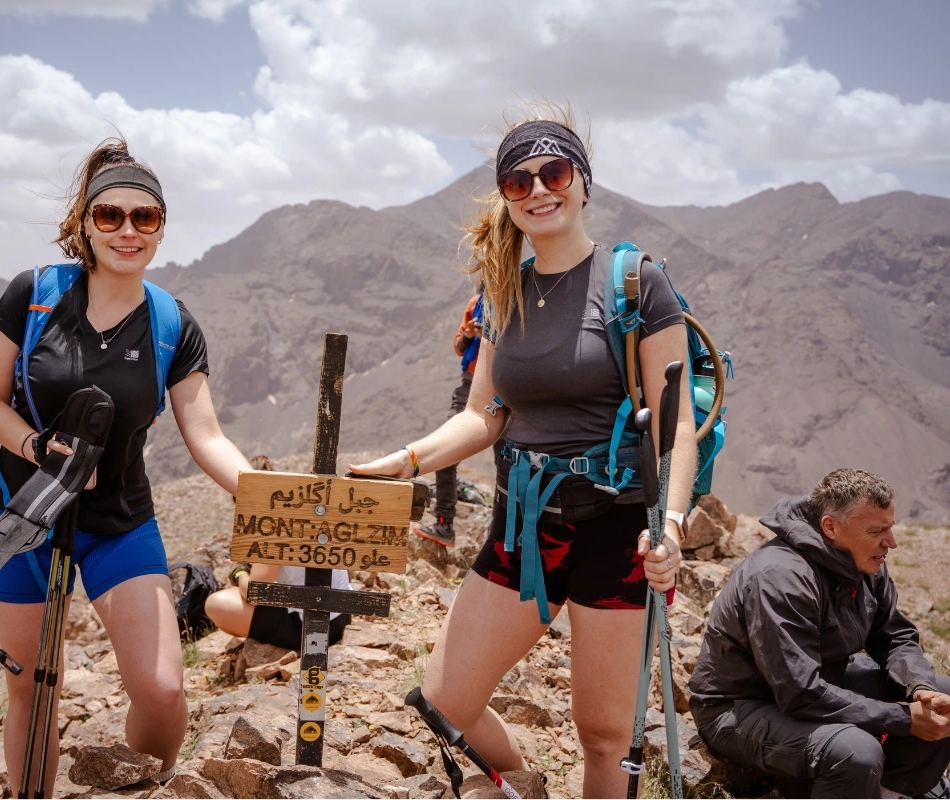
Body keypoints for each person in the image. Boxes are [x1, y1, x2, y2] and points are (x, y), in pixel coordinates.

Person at [350, 106, 697, 796]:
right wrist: (409, 460)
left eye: (555, 172)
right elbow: (485, 416)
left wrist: (677, 527)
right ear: (507, 198)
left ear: (582, 182)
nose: (539, 189)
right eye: (520, 181)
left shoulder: (635, 282)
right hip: (522, 524)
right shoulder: (501, 292)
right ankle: (521, 785)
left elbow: (676, 423)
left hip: (619, 527)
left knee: (604, 736)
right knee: (445, 698)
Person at [0, 137, 253, 791]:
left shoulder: (170, 323)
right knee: (36, 691)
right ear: (85, 223)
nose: (128, 230)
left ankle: (141, 787)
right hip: (27, 516)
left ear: (159, 227)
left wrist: (273, 495)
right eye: (110, 216)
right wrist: (35, 447)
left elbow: (205, 433)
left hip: (118, 522)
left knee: (161, 690)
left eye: (144, 217)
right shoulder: (33, 295)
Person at [689, 469, 950, 798]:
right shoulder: (780, 576)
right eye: (877, 531)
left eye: (891, 528)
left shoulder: (864, 562)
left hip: (818, 684)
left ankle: (888, 792)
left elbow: (894, 637)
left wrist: (921, 689)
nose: (891, 543)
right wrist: (902, 718)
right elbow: (799, 692)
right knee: (857, 752)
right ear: (831, 527)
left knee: (943, 697)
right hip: (741, 707)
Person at [204, 455, 352, 649]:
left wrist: (239, 570)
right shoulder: (301, 506)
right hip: (342, 615)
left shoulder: (270, 524)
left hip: (314, 628)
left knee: (216, 604)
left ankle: (275, 645)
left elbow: (254, 594)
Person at [416, 293, 504, 548]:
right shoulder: (476, 303)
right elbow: (458, 346)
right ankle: (444, 524)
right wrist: (469, 334)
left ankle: (502, 533)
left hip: (503, 387)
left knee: (507, 462)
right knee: (447, 452)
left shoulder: (519, 298)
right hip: (469, 385)